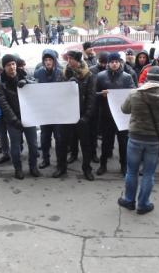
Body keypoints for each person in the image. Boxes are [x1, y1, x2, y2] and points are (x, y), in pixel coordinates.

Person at [118, 66, 159, 214]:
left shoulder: (135, 94)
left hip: (135, 137)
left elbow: (124, 109)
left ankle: (129, 201)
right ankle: (143, 204)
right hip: (154, 140)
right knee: (149, 174)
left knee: (132, 172)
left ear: (147, 78)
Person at [0, 54, 41, 179]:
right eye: (8, 65)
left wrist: (27, 82)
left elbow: (37, 85)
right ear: (4, 67)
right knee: (15, 147)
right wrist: (14, 120)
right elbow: (3, 104)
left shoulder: (24, 75)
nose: (12, 67)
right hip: (13, 120)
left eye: (13, 64)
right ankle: (18, 169)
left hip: (29, 117)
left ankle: (33, 167)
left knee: (33, 145)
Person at [54, 50, 95, 180]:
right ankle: (61, 167)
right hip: (66, 115)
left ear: (77, 60)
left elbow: (91, 97)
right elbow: (57, 92)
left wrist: (86, 116)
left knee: (85, 144)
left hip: (81, 115)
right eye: (68, 58)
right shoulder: (63, 73)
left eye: (71, 58)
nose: (69, 61)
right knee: (62, 143)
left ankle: (87, 169)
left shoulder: (88, 75)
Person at [95, 52, 135, 176]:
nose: (114, 64)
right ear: (108, 63)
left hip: (122, 115)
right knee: (106, 142)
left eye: (116, 62)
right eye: (112, 62)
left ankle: (124, 165)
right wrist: (101, 94)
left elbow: (133, 94)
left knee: (123, 143)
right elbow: (94, 93)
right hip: (106, 115)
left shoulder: (127, 77)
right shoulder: (101, 76)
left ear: (120, 63)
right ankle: (103, 164)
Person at [33, 49, 64, 169]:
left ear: (54, 61)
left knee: (59, 139)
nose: (48, 62)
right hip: (44, 112)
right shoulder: (38, 73)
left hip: (57, 112)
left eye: (50, 59)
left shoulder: (61, 72)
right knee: (45, 138)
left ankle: (60, 162)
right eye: (45, 60)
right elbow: (33, 86)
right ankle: (45, 160)